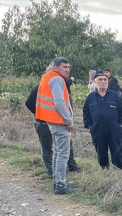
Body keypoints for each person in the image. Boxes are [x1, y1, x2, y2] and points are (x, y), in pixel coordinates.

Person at [36, 57, 75, 195]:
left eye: (68, 67)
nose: (67, 70)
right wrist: (68, 121)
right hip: (59, 121)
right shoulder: (57, 79)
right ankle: (60, 185)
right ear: (55, 68)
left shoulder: (47, 77)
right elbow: (59, 102)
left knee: (58, 153)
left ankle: (58, 180)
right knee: (63, 154)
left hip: (52, 121)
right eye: (64, 67)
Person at [25, 75, 79, 175]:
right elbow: (29, 103)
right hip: (45, 122)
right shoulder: (42, 86)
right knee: (48, 147)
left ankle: (70, 167)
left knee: (64, 147)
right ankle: (53, 172)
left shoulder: (61, 84)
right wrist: (42, 114)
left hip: (57, 121)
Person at [83, 70, 122, 169]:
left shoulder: (115, 96)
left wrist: (121, 124)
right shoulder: (90, 97)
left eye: (105, 79)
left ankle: (119, 170)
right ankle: (104, 170)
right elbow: (86, 113)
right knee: (101, 151)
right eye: (100, 79)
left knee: (117, 150)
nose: (103, 81)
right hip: (97, 130)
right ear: (95, 82)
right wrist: (89, 126)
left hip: (114, 129)